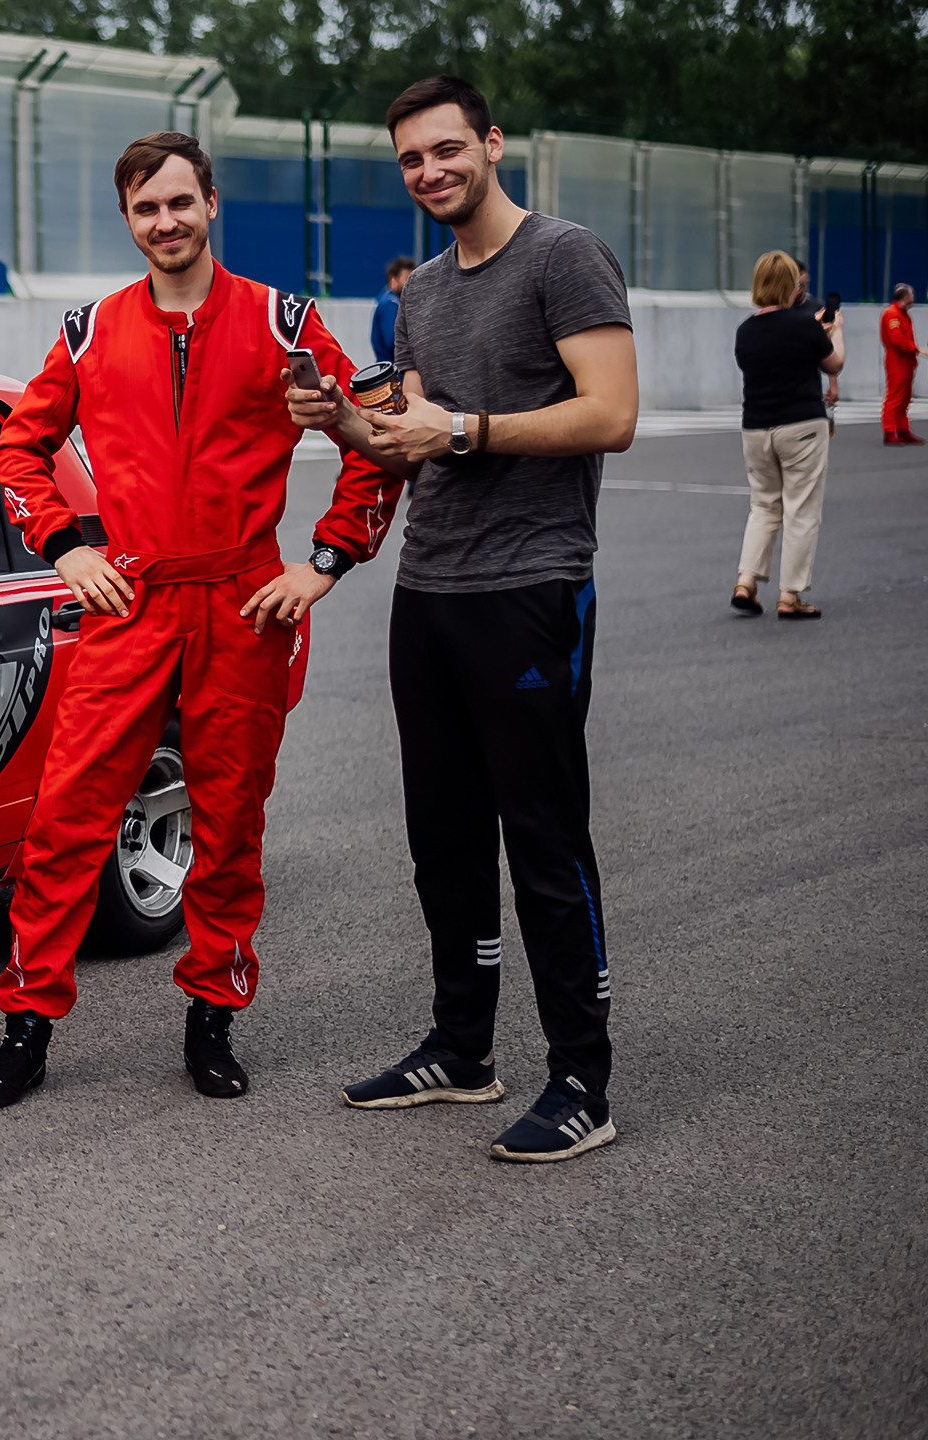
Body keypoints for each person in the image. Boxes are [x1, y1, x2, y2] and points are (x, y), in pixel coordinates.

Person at [0, 131, 403, 1111]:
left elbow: (371, 440)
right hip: (130, 602)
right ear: (129, 220)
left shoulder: (283, 322)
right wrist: (67, 550)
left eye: (178, 203)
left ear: (210, 204)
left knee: (228, 822)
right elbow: (18, 449)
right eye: (144, 209)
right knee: (67, 818)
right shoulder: (87, 331)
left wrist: (326, 559)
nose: (164, 222)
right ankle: (26, 1026)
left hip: (243, 606)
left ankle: (213, 1018)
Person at [292, 75, 637, 1164]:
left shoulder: (563, 256)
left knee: (541, 836)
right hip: (428, 588)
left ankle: (581, 1076)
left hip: (530, 586)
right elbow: (408, 437)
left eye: (447, 150)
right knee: (442, 838)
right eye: (410, 159)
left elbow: (610, 415)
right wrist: (340, 419)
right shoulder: (420, 294)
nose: (430, 172)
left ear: (492, 144)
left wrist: (465, 429)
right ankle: (460, 1049)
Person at [729, 252, 843, 620]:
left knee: (763, 506)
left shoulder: (745, 331)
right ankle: (790, 594)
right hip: (801, 426)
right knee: (801, 510)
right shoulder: (803, 325)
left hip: (756, 427)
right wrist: (834, 331)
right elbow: (834, 364)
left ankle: (746, 580)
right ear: (791, 284)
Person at [880, 283, 920, 445]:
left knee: (904, 397)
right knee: (895, 396)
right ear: (906, 297)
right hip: (897, 359)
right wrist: (915, 349)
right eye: (912, 295)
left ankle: (903, 429)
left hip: (906, 360)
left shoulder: (902, 314)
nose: (913, 298)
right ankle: (890, 431)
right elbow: (897, 340)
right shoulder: (893, 314)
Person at [373, 256, 415, 365]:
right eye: (406, 279)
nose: (411, 284)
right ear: (393, 281)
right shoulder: (390, 304)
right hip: (394, 373)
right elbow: (393, 341)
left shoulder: (386, 300)